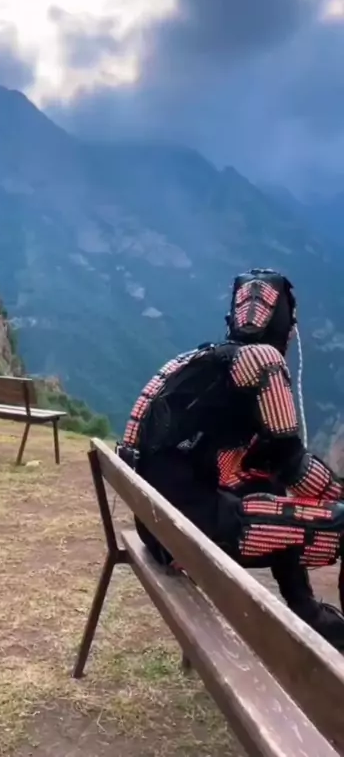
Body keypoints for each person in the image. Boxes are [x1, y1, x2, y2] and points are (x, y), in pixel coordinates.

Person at [117, 268, 344, 650]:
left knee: (268, 486)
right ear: (285, 326)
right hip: (189, 538)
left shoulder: (200, 359)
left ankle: (306, 612)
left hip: (158, 526)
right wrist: (338, 494)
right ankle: (315, 626)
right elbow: (292, 463)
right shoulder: (263, 361)